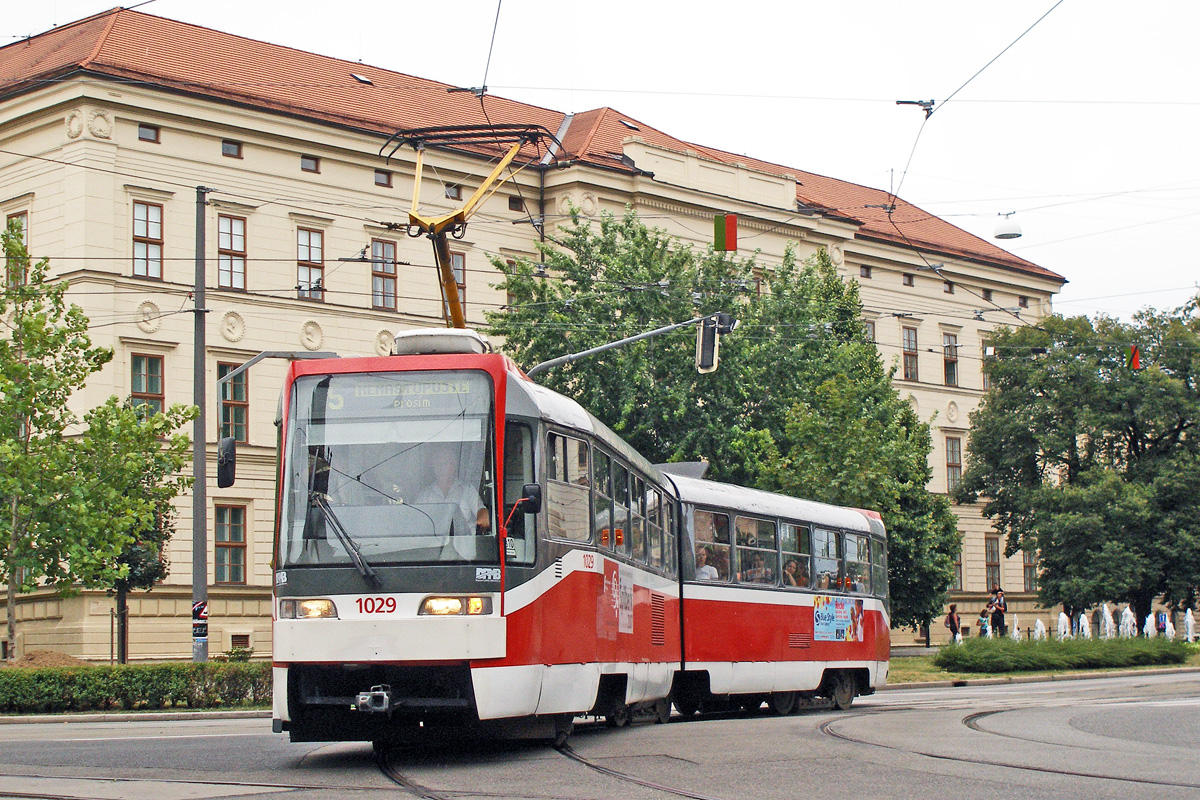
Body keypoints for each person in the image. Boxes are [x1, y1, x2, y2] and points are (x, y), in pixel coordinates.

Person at [415, 447, 489, 541]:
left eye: (446, 463)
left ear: (454, 466)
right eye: (438, 464)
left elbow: (481, 510)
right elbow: (416, 521)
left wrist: (483, 516)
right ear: (433, 467)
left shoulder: (466, 489)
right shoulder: (425, 494)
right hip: (433, 547)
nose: (441, 467)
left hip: (464, 547)